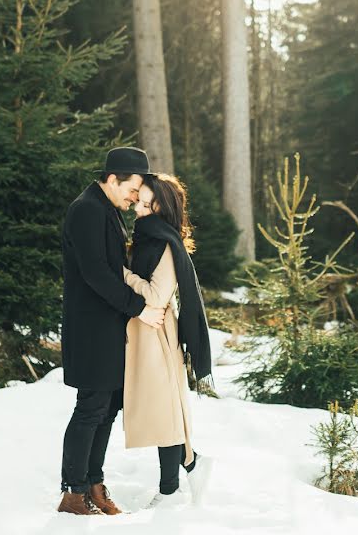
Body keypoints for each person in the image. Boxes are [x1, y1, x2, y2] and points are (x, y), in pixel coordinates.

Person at [57, 147, 167, 516]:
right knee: (91, 407)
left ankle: (93, 485)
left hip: (108, 324)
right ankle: (73, 494)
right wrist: (140, 309)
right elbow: (96, 273)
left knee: (106, 408)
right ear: (111, 178)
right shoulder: (87, 210)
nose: (134, 197)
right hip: (90, 326)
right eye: (133, 189)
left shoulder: (105, 209)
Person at [122, 173, 214, 509]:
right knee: (161, 410)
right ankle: (189, 466)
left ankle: (172, 485)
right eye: (139, 203)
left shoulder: (164, 243)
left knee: (163, 411)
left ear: (165, 209)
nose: (140, 211)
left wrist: (119, 272)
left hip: (156, 333)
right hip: (143, 331)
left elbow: (156, 295)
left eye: (149, 205)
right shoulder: (147, 238)